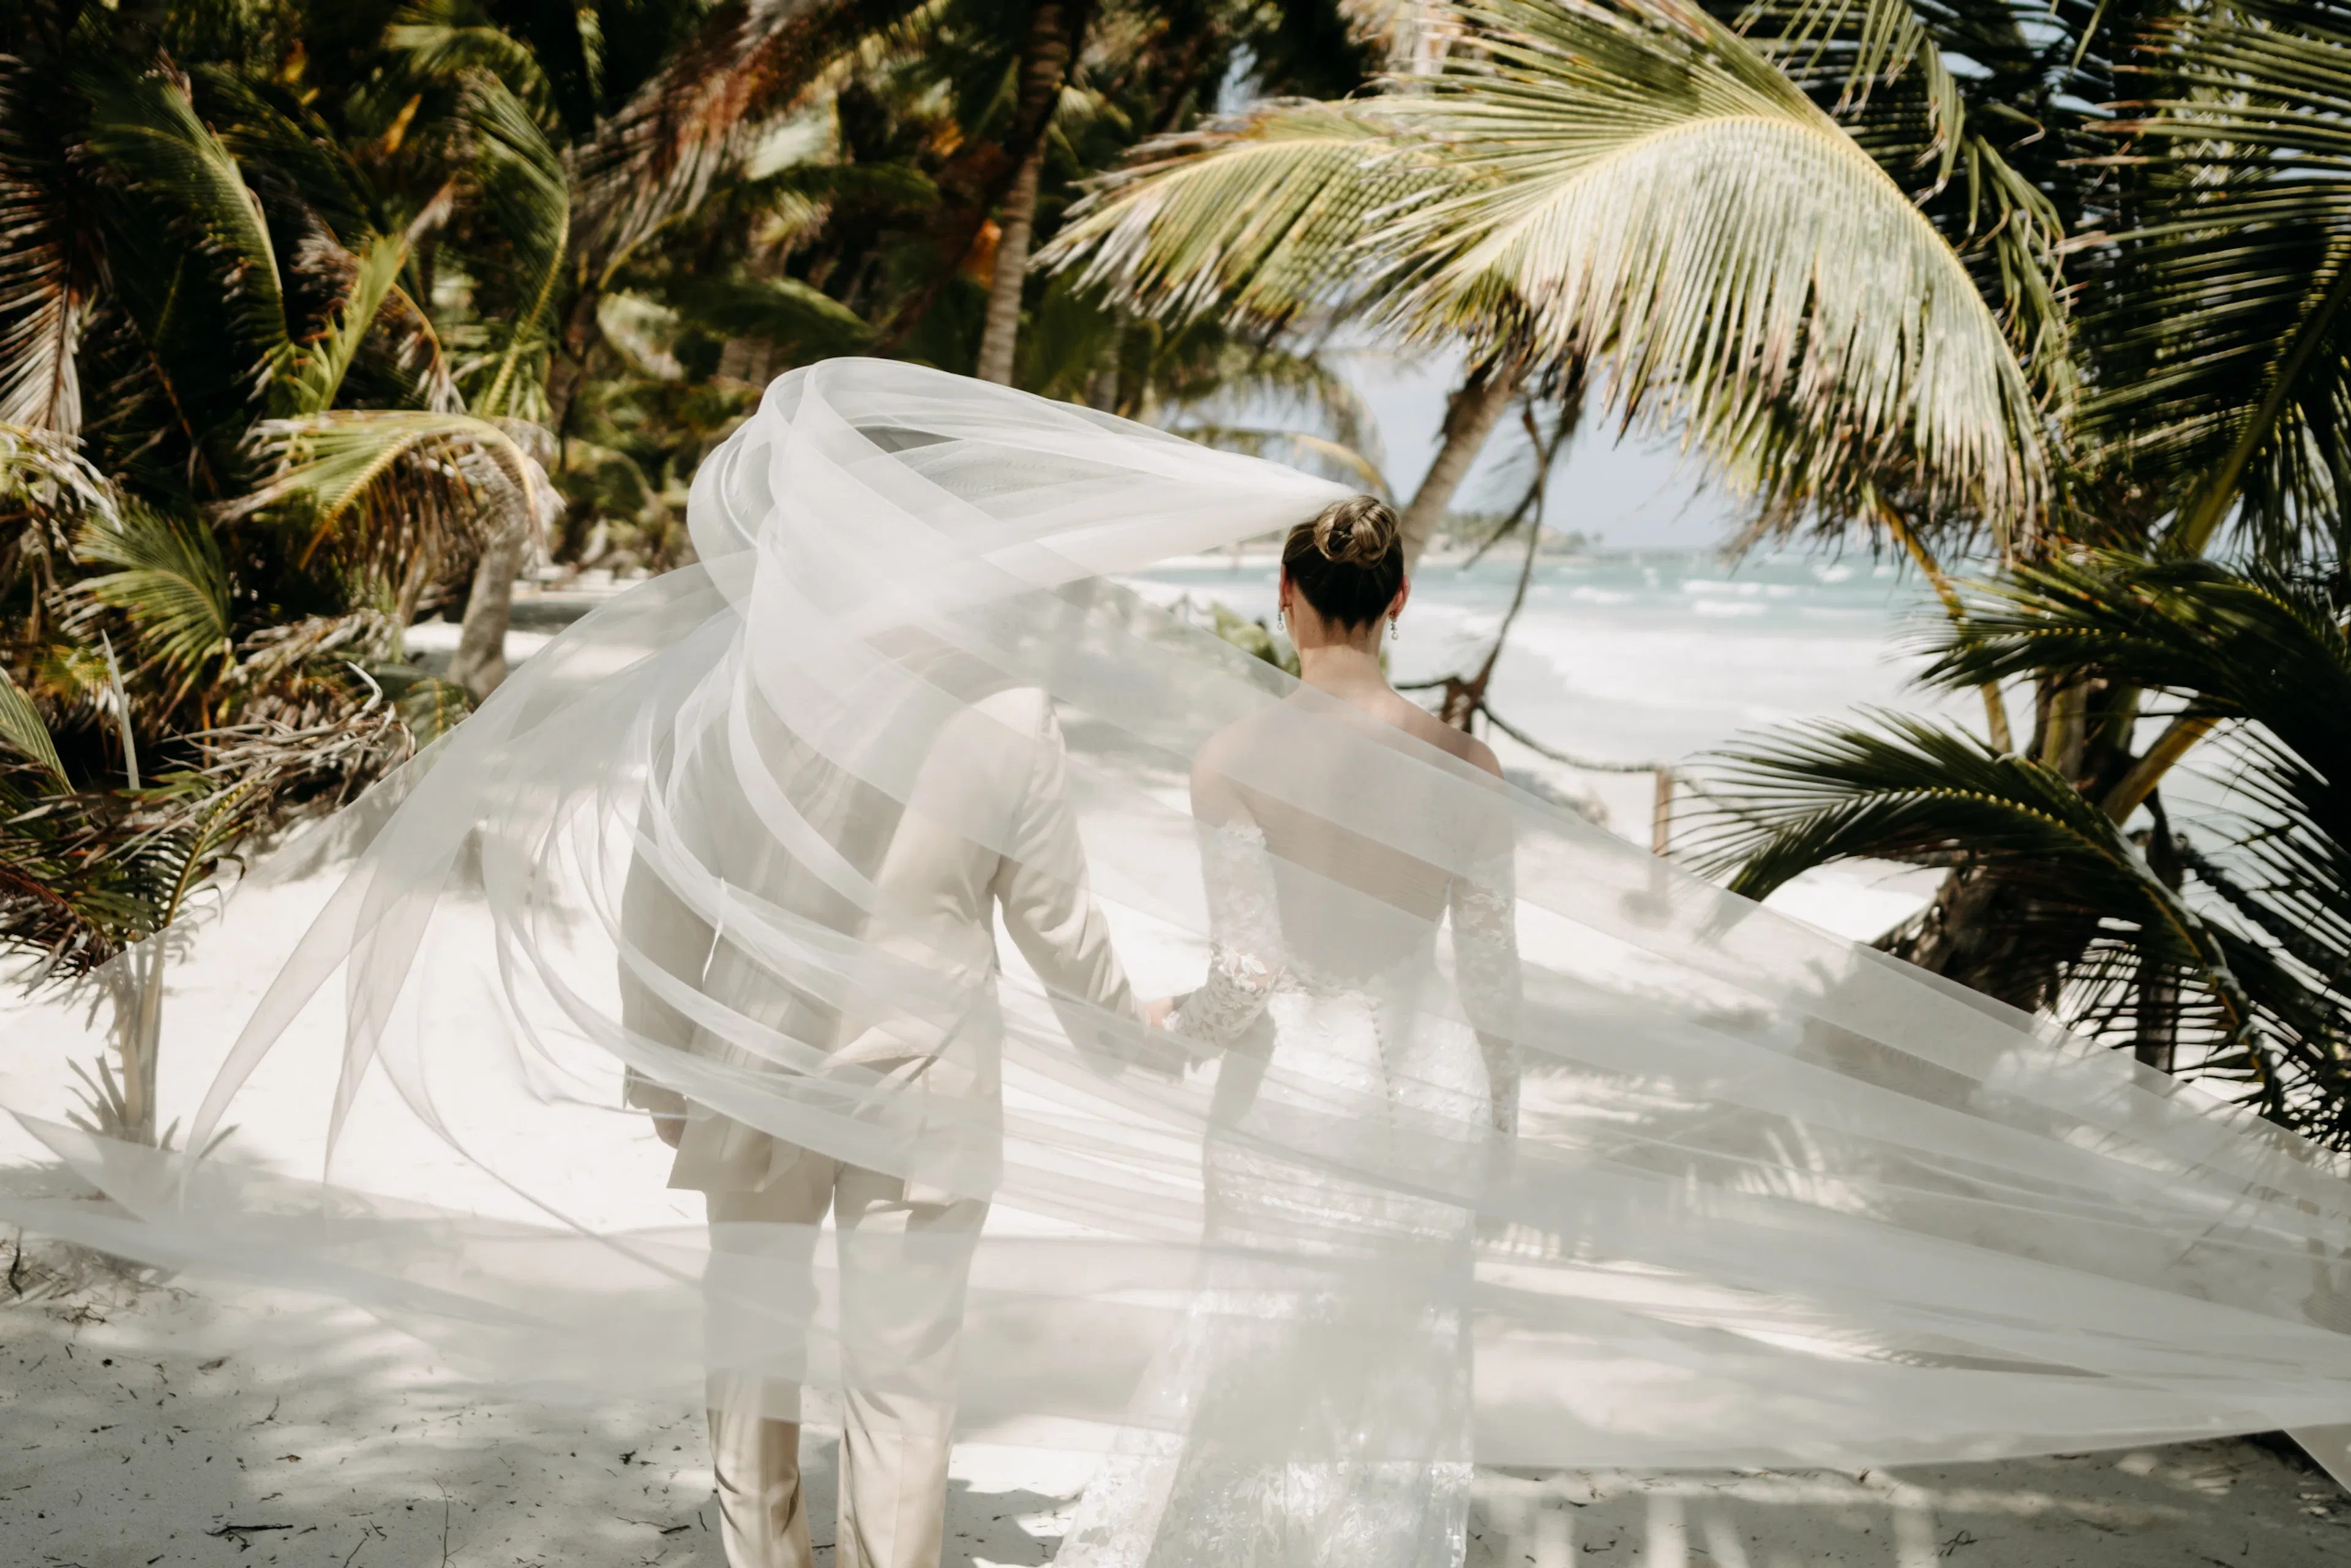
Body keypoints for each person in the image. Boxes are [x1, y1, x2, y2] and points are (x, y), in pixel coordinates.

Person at [618, 642, 1153, 1568]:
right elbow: (1055, 921)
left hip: (756, 1064)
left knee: (751, 1353)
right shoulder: (1009, 708)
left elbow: (664, 900)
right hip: (927, 1078)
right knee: (902, 1384)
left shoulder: (723, 689)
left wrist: (665, 1073)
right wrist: (1123, 1032)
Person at [1060, 495, 1522, 1567]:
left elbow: (1250, 974)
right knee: (1401, 1350)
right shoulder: (1470, 766)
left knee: (1254, 1333)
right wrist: (1502, 1124)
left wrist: (1165, 1024)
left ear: (1284, 599)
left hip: (1294, 1096)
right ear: (1399, 600)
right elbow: (1494, 976)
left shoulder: (1232, 757)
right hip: (1433, 1082)